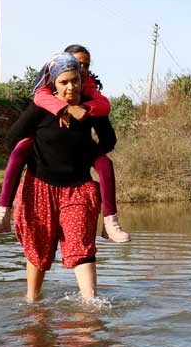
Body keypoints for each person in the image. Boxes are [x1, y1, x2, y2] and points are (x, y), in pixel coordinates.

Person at [0, 45, 131, 243]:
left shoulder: (90, 92)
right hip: (41, 153)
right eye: (77, 64)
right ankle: (2, 212)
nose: (81, 69)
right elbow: (13, 137)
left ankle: (110, 222)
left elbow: (105, 116)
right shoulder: (45, 94)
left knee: (105, 164)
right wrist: (64, 110)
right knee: (19, 150)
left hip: (79, 155)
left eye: (85, 66)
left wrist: (85, 152)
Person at [6, 52, 116, 302]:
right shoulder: (41, 106)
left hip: (78, 187)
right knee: (38, 249)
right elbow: (11, 141)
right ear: (53, 82)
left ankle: (91, 305)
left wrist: (89, 151)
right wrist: (37, 147)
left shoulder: (93, 105)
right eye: (64, 82)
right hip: (39, 186)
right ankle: (32, 303)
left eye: (75, 80)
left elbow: (108, 141)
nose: (70, 86)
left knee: (82, 247)